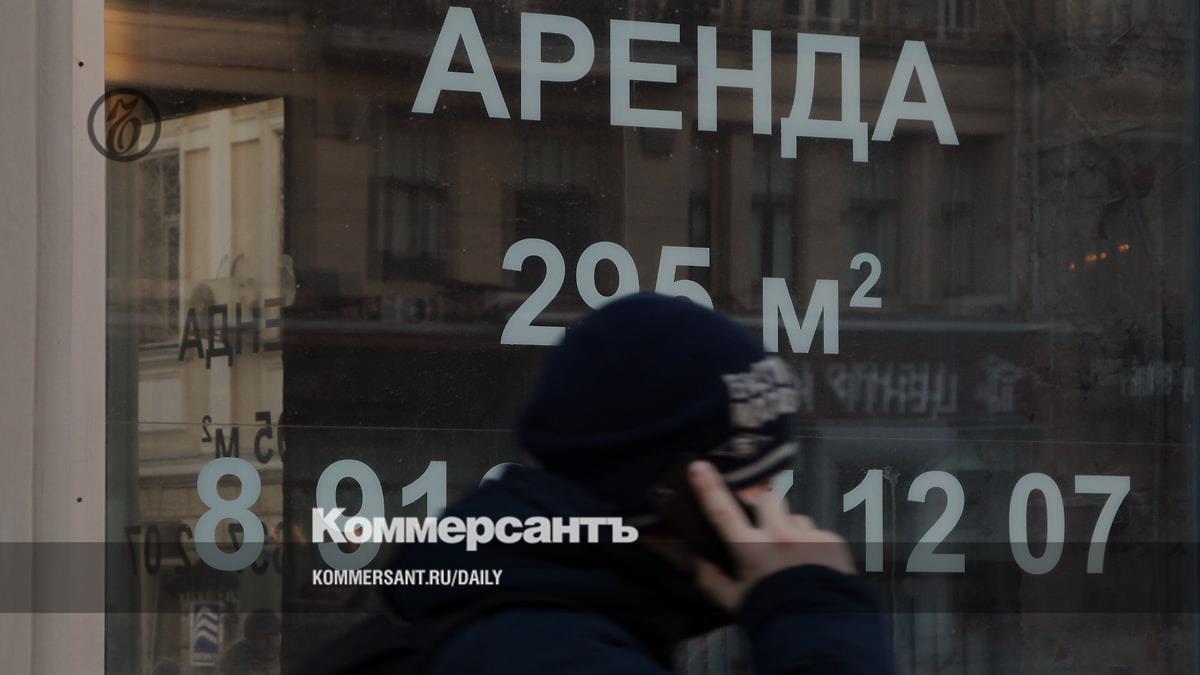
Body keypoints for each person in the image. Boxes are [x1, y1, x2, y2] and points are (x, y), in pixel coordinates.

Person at [359, 293, 892, 673]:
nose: (773, 519)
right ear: (673, 500)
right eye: (750, 492)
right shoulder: (548, 653)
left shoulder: (546, 617)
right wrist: (814, 615)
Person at [218, 609, 282, 675]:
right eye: (263, 637)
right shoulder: (234, 662)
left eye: (275, 635)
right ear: (249, 639)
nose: (271, 642)